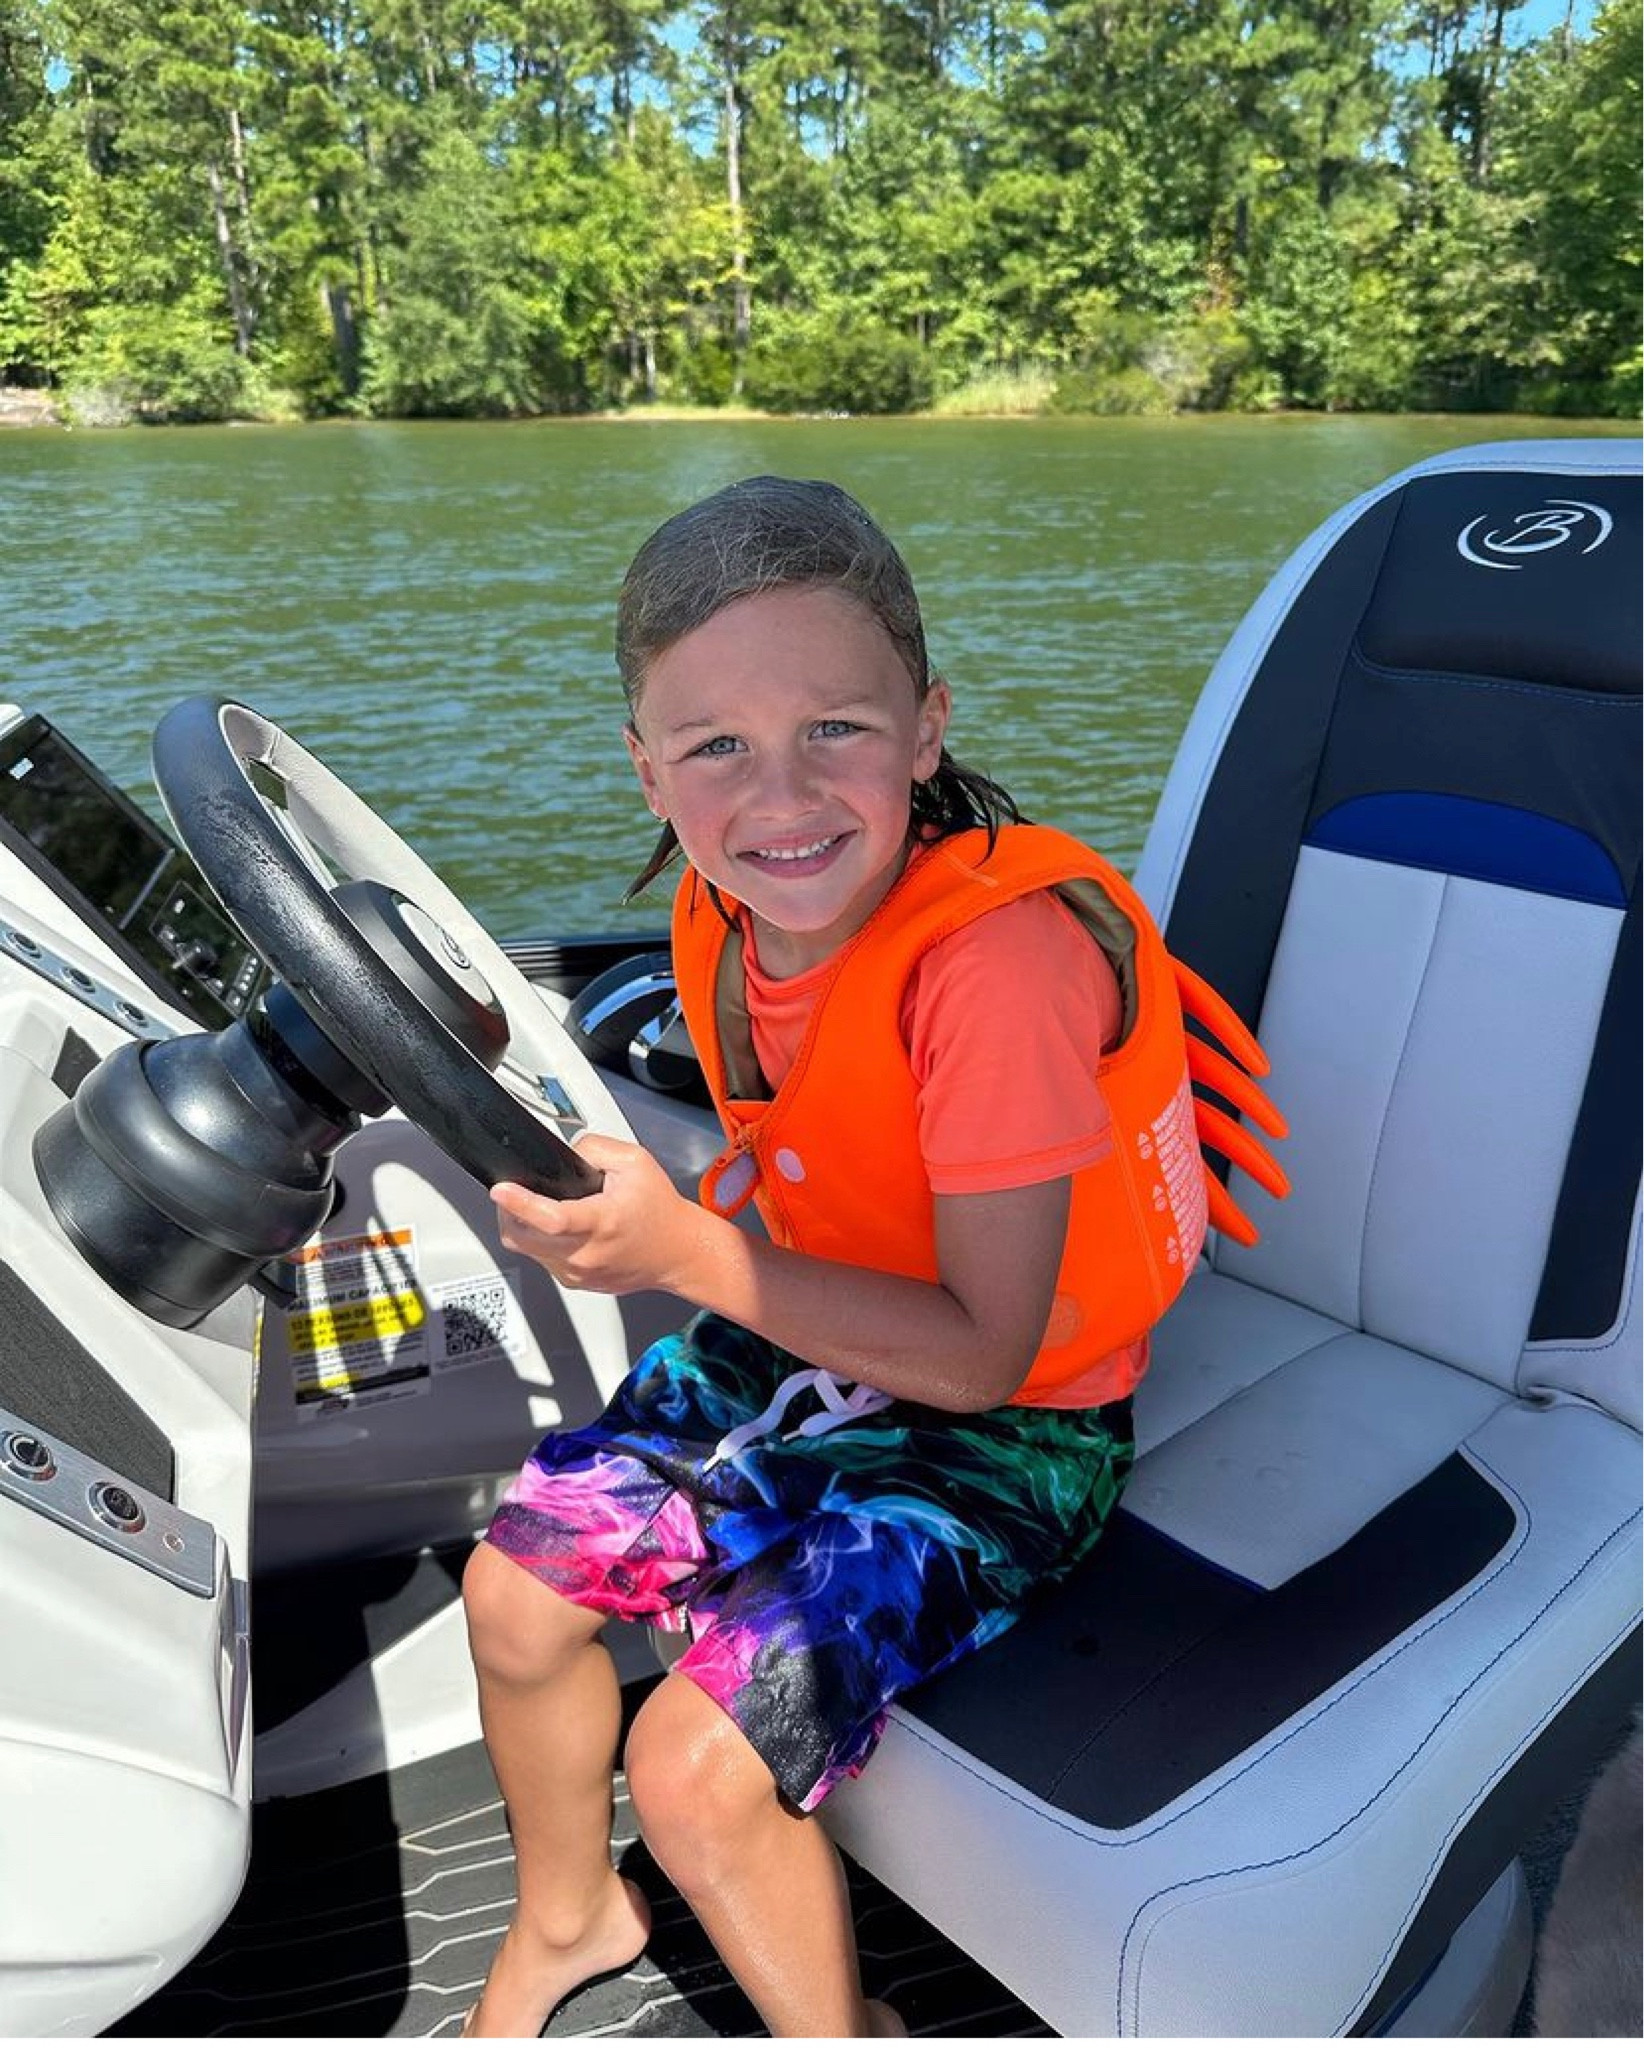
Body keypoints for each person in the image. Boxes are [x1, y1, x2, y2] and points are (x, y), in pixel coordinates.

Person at [460, 474, 1279, 2039]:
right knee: (514, 1601)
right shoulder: (722, 913)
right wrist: (704, 1251)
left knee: (691, 1767)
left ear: (925, 727)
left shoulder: (997, 969)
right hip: (813, 1343)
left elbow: (982, 1352)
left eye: (836, 727)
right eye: (715, 749)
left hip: (1015, 1422)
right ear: (646, 774)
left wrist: (681, 1251)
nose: (779, 798)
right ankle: (571, 1917)